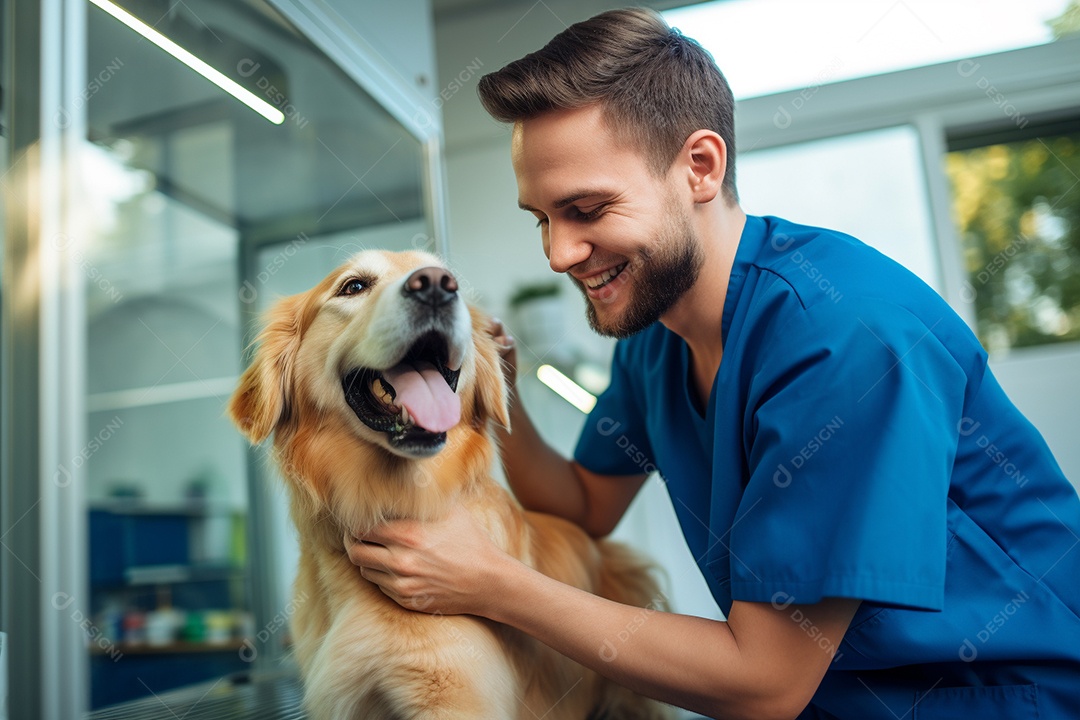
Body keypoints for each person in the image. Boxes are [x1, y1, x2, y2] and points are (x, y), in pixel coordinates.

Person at [345, 8, 1080, 718]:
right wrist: (492, 389)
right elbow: (581, 505)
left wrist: (492, 584)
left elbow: (764, 684)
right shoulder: (655, 335)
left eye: (588, 211)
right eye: (543, 219)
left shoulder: (842, 339)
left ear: (699, 166)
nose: (560, 254)